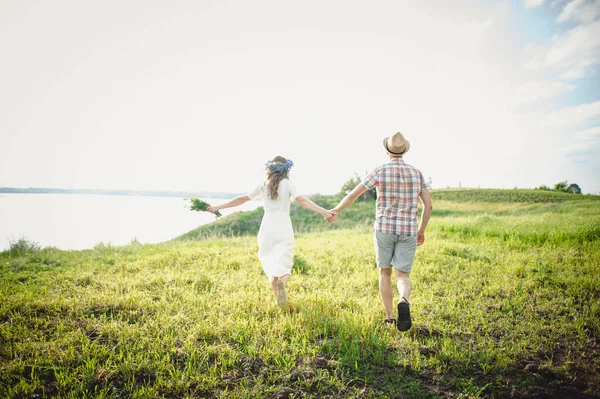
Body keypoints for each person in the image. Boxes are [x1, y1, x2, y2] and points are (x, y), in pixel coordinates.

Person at [327, 132, 432, 331]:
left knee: (385, 272)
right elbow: (428, 205)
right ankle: (403, 299)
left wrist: (336, 210)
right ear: (404, 151)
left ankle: (390, 317)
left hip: (384, 228)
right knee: (403, 275)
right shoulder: (416, 173)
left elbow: (353, 195)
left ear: (387, 151)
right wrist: (421, 230)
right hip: (408, 229)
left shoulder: (380, 171)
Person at [207, 156, 334, 307]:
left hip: (267, 227)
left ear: (270, 169)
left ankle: (279, 300)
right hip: (283, 226)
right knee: (284, 261)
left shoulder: (263, 185)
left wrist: (217, 207)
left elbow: (241, 199)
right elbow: (304, 202)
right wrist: (325, 212)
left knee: (270, 260)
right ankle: (282, 283)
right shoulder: (288, 184)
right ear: (286, 170)